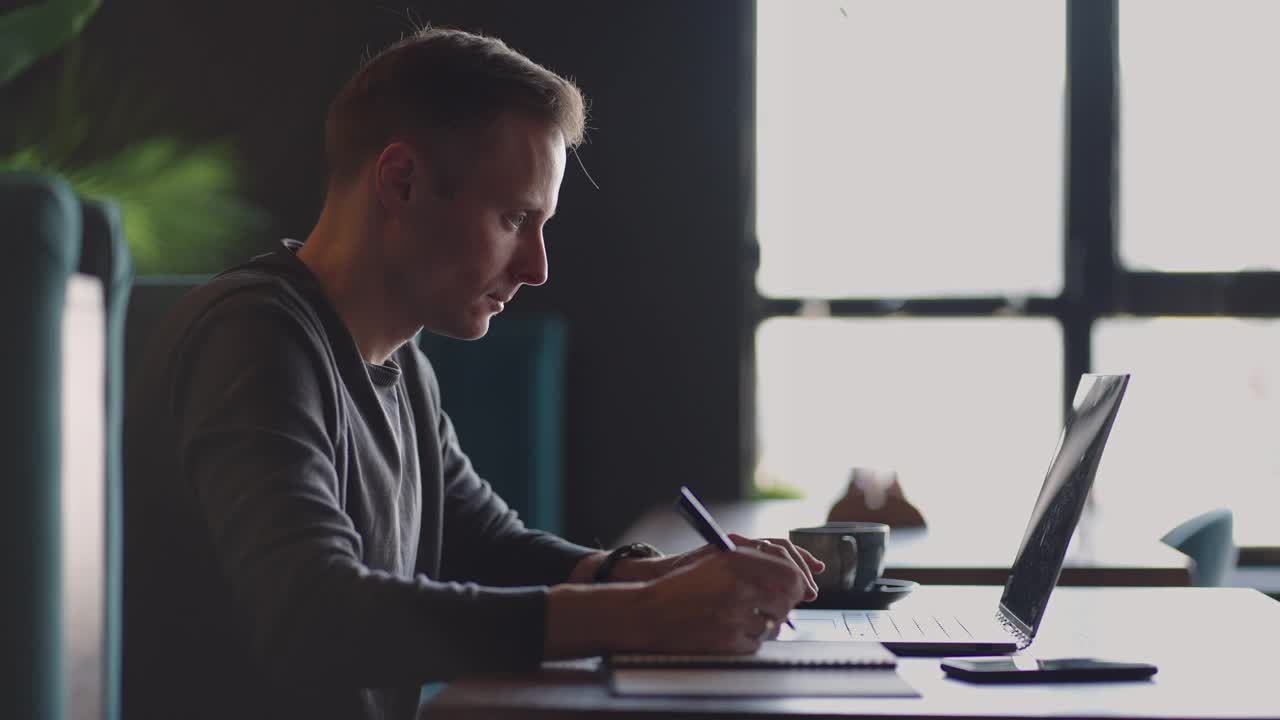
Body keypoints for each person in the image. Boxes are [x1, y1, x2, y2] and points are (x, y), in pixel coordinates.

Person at [122, 26, 823, 720]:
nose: (537, 267)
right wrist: (641, 614)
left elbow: (488, 546)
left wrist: (662, 576)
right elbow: (312, 614)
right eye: (516, 217)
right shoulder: (253, 338)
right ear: (402, 181)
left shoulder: (402, 364)